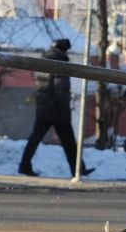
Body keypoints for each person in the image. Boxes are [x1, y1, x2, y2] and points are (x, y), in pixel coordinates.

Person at [17, 38, 87, 176]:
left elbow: (41, 85)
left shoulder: (44, 59)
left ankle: (24, 165)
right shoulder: (59, 60)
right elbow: (60, 86)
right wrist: (64, 107)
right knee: (69, 142)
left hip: (44, 107)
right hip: (57, 110)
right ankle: (78, 169)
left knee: (35, 139)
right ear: (64, 49)